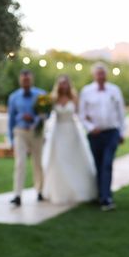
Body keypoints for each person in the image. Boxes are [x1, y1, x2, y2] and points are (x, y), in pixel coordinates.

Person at [42, 75, 97, 204]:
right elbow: (47, 115)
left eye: (65, 83)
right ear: (58, 85)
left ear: (69, 84)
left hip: (72, 131)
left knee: (74, 159)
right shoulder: (53, 99)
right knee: (59, 159)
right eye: (61, 83)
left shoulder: (74, 98)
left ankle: (78, 190)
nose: (63, 85)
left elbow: (81, 114)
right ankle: (59, 191)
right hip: (58, 131)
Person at [79, 63, 126, 211]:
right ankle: (101, 194)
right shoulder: (87, 91)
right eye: (98, 74)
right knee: (98, 165)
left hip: (111, 132)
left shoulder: (114, 90)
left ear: (106, 75)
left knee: (107, 164)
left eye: (103, 73)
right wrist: (91, 128)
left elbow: (121, 113)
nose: (101, 76)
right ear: (94, 75)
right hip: (95, 135)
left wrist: (122, 132)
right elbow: (81, 115)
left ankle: (106, 198)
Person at [7, 70, 47, 207]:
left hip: (36, 132)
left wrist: (34, 118)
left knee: (38, 162)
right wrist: (11, 139)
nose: (26, 82)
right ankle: (17, 195)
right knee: (20, 163)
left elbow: (45, 115)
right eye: (23, 80)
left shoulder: (41, 95)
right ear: (20, 80)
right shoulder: (14, 97)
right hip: (20, 132)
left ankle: (40, 191)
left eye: (28, 80)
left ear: (32, 80)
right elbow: (11, 119)